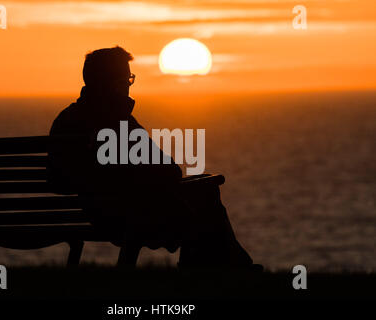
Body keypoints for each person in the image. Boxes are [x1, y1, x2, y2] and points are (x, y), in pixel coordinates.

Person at [48, 46, 260, 269]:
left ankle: (229, 266)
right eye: (126, 78)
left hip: (93, 214)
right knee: (205, 194)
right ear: (112, 82)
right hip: (126, 217)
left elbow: (56, 179)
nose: (129, 85)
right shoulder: (118, 122)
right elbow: (169, 170)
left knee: (201, 197)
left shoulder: (65, 120)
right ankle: (232, 268)